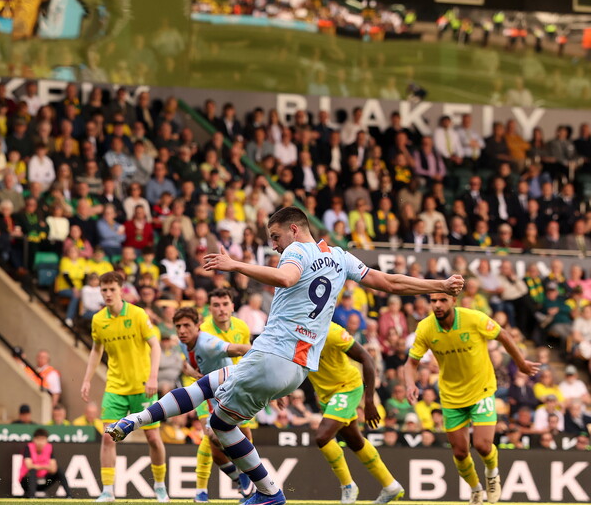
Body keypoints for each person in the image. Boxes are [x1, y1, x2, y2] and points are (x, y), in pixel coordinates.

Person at [107, 207, 463, 505]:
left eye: (275, 238)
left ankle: (267, 491)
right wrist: (440, 285)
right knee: (213, 387)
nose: (275, 246)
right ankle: (138, 422)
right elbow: (390, 283)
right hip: (297, 370)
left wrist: (237, 265)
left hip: (273, 353)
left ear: (293, 229)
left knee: (218, 423)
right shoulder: (340, 257)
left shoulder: (297, 251)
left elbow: (287, 277)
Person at [404, 292, 539, 505]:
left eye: (442, 300)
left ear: (453, 301)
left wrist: (521, 363)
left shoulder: (474, 318)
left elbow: (502, 334)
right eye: (433, 301)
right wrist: (410, 384)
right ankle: (476, 489)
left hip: (481, 390)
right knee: (460, 452)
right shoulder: (425, 328)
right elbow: (411, 363)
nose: (437, 305)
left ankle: (492, 474)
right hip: (451, 397)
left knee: (483, 446)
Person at [81, 271, 168, 502]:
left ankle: (160, 486)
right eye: (104, 290)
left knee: (153, 438)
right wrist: (87, 379)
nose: (108, 294)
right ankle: (108, 490)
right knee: (108, 437)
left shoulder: (138, 314)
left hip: (143, 387)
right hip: (115, 387)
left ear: (121, 290)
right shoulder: (98, 319)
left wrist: (152, 378)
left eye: (112, 289)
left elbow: (155, 347)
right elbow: (96, 350)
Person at [306, 322, 403, 503]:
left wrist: (369, 401)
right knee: (354, 440)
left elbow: (367, 358)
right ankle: (390, 485)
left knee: (322, 437)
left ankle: (348, 485)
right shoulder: (294, 333)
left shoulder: (333, 332)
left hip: (347, 387)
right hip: (326, 395)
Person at [172, 306, 254, 502]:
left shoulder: (209, 343)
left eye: (186, 326)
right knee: (213, 439)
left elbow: (242, 349)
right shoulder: (183, 341)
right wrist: (192, 373)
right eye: (178, 326)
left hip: (231, 392)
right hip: (210, 393)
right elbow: (186, 363)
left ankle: (251, 479)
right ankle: (244, 480)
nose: (182, 330)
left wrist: (263, 367)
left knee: (229, 437)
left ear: (197, 326)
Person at [19, 427, 72, 498]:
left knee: (59, 470)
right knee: (32, 471)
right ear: (34, 440)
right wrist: (45, 466)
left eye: (43, 439)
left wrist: (38, 466)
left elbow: (53, 469)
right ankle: (32, 496)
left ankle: (69, 495)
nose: (40, 442)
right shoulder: (28, 447)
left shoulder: (49, 447)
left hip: (45, 482)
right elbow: (29, 466)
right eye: (38, 439)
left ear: (47, 440)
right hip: (27, 483)